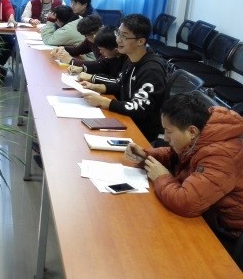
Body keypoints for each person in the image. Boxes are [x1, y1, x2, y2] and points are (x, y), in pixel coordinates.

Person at [125, 93, 243, 253]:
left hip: (227, 233)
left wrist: (161, 177)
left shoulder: (221, 156)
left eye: (168, 132)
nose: (165, 138)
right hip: (208, 213)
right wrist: (147, 155)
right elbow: (176, 154)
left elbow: (186, 203)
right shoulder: (203, 133)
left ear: (192, 131)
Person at [80, 14, 167, 142]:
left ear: (141, 41)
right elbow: (120, 84)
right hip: (125, 119)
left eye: (124, 36)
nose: (118, 40)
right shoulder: (130, 60)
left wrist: (105, 102)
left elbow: (138, 109)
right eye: (118, 34)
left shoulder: (152, 71)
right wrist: (95, 86)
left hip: (141, 133)